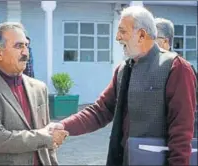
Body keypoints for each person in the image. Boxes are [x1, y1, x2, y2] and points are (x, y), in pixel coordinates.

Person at [55, 6, 196, 166]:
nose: (117, 37)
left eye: (123, 31)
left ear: (142, 35)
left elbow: (181, 133)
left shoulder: (176, 68)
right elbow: (100, 111)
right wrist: (63, 126)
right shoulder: (123, 70)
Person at [0, 22, 68, 165]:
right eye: (18, 46)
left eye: (26, 45)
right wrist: (46, 137)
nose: (25, 52)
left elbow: (49, 145)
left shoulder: (39, 87)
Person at [155, 18, 197, 138]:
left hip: (173, 141)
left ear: (165, 42)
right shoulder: (149, 67)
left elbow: (184, 116)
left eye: (153, 39)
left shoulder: (181, 69)